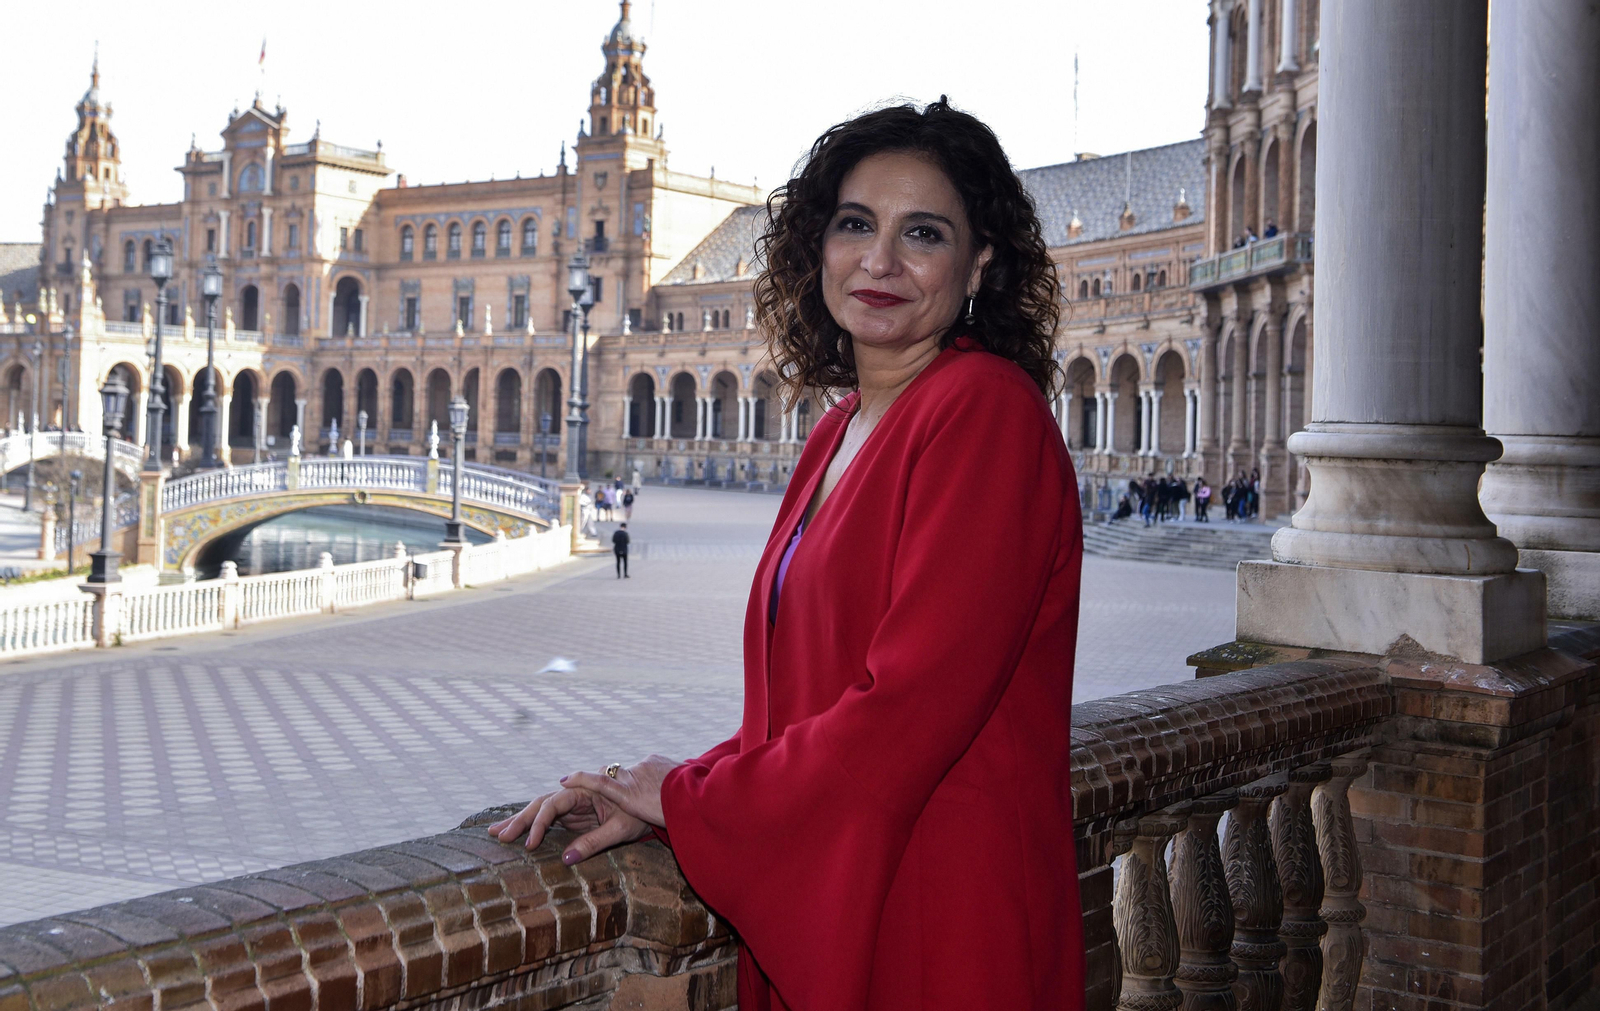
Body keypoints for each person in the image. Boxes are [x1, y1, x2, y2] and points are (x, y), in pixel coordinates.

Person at [490, 97, 1086, 1010]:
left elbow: (904, 710)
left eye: (921, 232)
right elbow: (808, 702)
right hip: (859, 888)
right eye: (855, 224)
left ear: (980, 264)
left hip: (940, 921)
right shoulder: (839, 429)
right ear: (818, 247)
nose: (878, 260)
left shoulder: (986, 413)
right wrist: (668, 789)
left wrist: (691, 805)